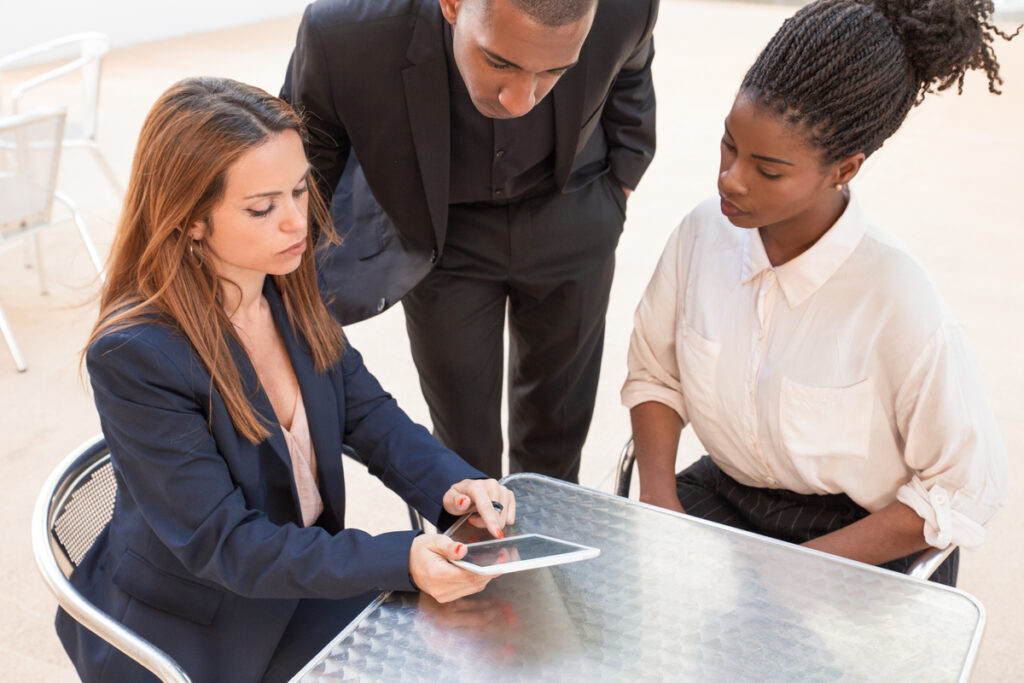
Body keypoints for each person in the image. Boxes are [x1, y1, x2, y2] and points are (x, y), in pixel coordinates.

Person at [56, 77, 516, 683]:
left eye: (300, 190)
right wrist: (397, 557)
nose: (297, 222)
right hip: (207, 627)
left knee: (498, 634)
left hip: (299, 578)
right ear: (191, 219)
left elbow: (367, 414)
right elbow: (224, 544)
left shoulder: (287, 286)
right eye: (261, 207)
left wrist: (453, 484)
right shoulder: (136, 355)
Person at [622, 0, 1015, 586]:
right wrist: (658, 499)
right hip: (727, 500)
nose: (730, 179)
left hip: (862, 537)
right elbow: (657, 374)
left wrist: (796, 572)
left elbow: (960, 487)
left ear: (845, 169)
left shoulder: (897, 298)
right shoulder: (703, 233)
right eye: (729, 146)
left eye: (768, 170)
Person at [281, 0, 659, 482]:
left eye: (554, 72)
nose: (520, 101)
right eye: (500, 62)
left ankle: (546, 553)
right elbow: (305, 170)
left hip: (572, 214)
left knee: (559, 436)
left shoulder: (627, 8)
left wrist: (620, 183)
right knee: (463, 447)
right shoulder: (343, 33)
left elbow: (630, 70)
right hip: (442, 236)